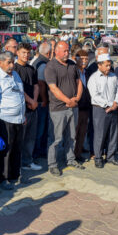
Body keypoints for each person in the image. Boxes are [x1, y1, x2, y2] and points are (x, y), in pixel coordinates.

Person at [0, 51, 27, 190]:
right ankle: (3, 178)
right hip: (5, 120)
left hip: (19, 119)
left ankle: (14, 175)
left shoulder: (15, 75)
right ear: (0, 62)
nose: (11, 65)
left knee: (17, 148)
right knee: (6, 150)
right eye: (8, 62)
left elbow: (20, 95)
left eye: (12, 62)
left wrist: (23, 115)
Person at [45, 41, 84, 175]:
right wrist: (68, 101)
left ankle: (70, 159)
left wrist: (76, 99)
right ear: (56, 51)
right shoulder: (51, 66)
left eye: (68, 50)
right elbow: (53, 88)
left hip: (73, 107)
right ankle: (52, 164)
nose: (67, 53)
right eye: (64, 51)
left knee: (72, 136)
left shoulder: (72, 64)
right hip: (58, 108)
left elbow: (79, 82)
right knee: (56, 139)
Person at [88, 53, 118, 168]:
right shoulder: (93, 78)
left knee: (113, 134)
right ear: (99, 65)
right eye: (106, 65)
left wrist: (116, 103)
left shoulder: (113, 77)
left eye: (109, 65)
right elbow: (95, 96)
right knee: (100, 134)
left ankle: (111, 156)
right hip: (100, 109)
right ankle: (98, 157)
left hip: (113, 109)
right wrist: (109, 104)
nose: (109, 67)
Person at [14, 43, 42, 170]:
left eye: (28, 53)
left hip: (33, 108)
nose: (26, 55)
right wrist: (30, 101)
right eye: (23, 52)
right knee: (20, 138)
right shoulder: (14, 69)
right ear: (17, 53)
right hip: (21, 109)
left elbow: (36, 86)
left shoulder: (32, 69)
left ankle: (28, 161)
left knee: (31, 137)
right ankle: (18, 163)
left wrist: (35, 101)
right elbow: (19, 89)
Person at [33, 41, 52, 159]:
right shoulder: (43, 64)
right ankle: (38, 151)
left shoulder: (36, 61)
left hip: (38, 101)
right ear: (49, 53)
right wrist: (45, 99)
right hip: (41, 101)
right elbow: (41, 83)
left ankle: (38, 150)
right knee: (41, 128)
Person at [74, 49, 92, 162]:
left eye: (86, 59)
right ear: (76, 59)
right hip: (76, 107)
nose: (84, 61)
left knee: (82, 132)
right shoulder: (73, 72)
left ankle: (78, 153)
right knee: (74, 133)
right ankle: (71, 155)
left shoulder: (87, 72)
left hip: (86, 107)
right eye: (82, 59)